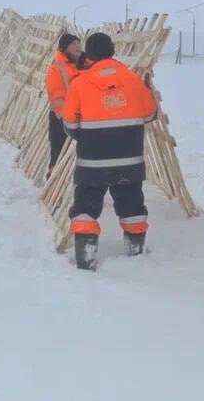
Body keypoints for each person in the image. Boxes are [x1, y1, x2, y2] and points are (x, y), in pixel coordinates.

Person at [59, 32, 158, 270]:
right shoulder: (133, 80)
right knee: (132, 203)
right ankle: (136, 251)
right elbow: (150, 113)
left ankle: (86, 255)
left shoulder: (80, 84)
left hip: (93, 162)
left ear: (89, 55)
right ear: (112, 51)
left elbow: (70, 125)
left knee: (86, 206)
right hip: (129, 160)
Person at [45, 33, 87, 178]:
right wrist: (67, 116)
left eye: (79, 43)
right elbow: (56, 96)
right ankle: (54, 181)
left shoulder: (83, 64)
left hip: (81, 118)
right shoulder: (58, 67)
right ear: (64, 48)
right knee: (59, 151)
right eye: (73, 43)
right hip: (61, 118)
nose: (78, 46)